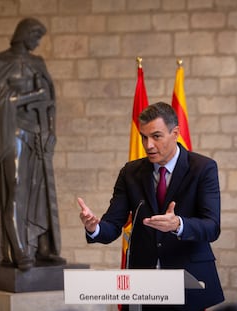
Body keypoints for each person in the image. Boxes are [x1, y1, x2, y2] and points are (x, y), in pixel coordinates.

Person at [78, 102, 224, 310]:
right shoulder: (131, 172)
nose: (148, 145)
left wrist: (178, 225)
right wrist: (94, 228)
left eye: (156, 136)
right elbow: (112, 225)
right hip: (142, 285)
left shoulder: (203, 168)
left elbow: (212, 227)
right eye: (143, 137)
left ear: (175, 133)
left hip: (188, 280)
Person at [0, 18, 65, 270]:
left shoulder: (38, 63)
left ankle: (43, 247)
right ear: (23, 34)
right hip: (15, 131)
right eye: (35, 37)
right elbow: (2, 101)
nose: (37, 43)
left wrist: (51, 130)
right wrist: (33, 96)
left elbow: (50, 100)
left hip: (39, 132)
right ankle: (19, 250)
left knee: (40, 190)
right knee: (18, 186)